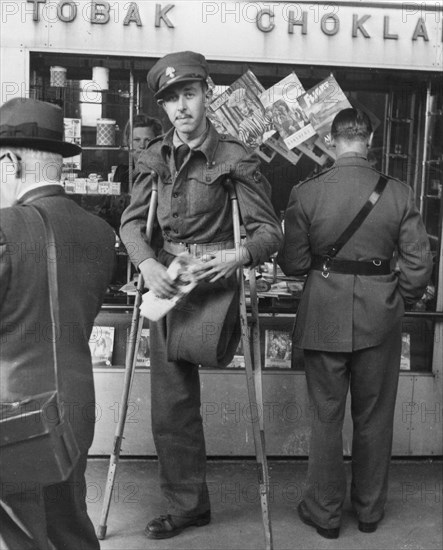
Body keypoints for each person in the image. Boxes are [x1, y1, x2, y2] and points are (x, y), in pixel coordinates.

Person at [120, 50, 282, 540]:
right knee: (171, 407)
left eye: (188, 94)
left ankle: (208, 497)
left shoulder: (235, 157)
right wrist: (148, 264)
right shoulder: (153, 157)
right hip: (167, 282)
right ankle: (188, 506)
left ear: (206, 95)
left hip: (215, 284)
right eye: (170, 100)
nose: (180, 108)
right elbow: (130, 224)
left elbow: (269, 233)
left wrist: (234, 258)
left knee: (202, 378)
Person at [278, 108, 433, 539]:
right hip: (379, 318)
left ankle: (325, 514)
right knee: (375, 418)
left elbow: (292, 264)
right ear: (369, 141)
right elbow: (420, 265)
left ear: (331, 140)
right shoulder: (399, 193)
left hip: (323, 315)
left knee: (326, 417)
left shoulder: (306, 192)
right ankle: (368, 512)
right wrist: (393, 298)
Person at [0, 98, 116, 550]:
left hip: (16, 409)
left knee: (24, 531)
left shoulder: (7, 227)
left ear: (10, 161)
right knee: (69, 521)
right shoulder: (99, 232)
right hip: (77, 401)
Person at [113, 113, 163, 191]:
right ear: (128, 142)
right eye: (137, 140)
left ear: (157, 142)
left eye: (148, 140)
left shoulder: (160, 173)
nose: (142, 146)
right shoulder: (121, 172)